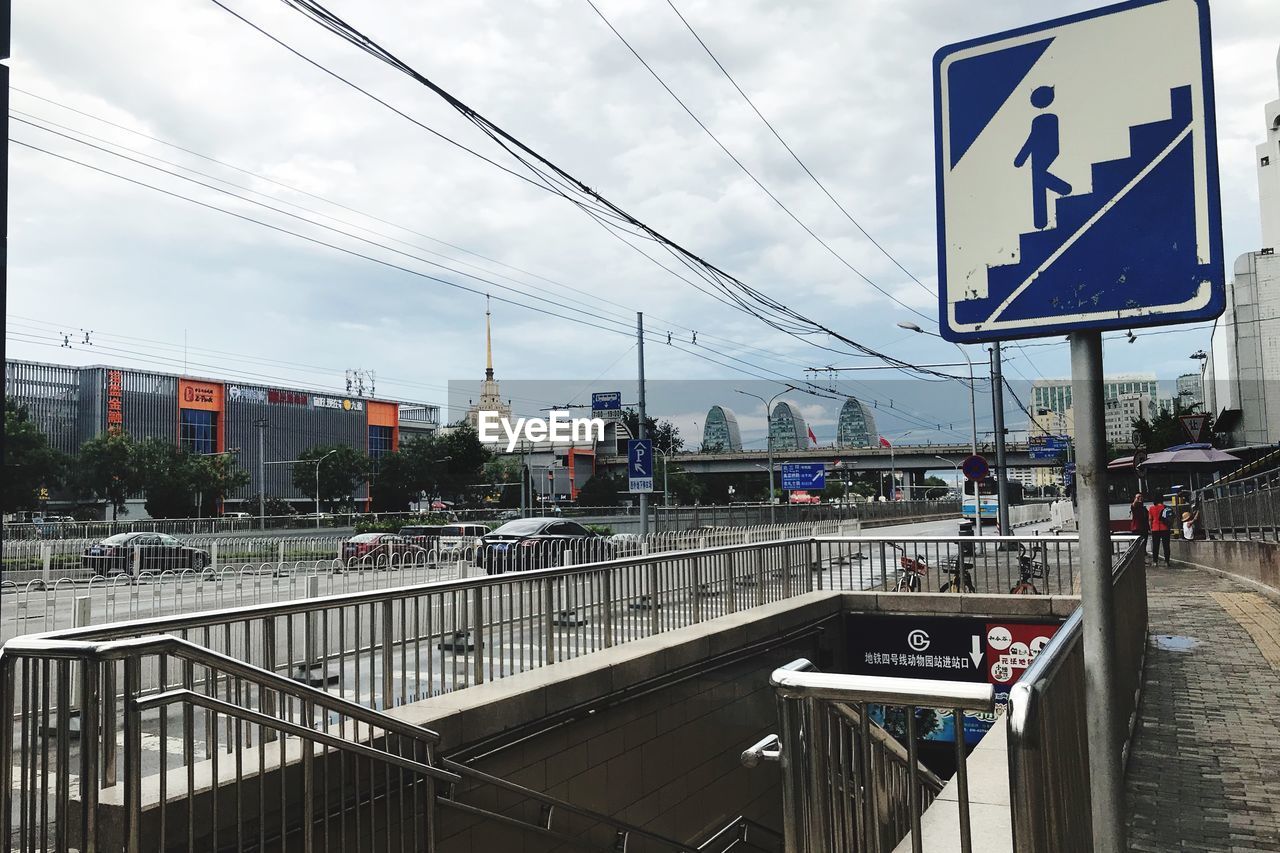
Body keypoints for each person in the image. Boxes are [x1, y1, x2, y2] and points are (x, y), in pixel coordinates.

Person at [1148, 497, 1174, 566]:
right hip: (1165, 528)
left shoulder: (1151, 508)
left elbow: (1150, 520)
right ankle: (1167, 562)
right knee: (1166, 546)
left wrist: (1150, 528)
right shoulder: (1166, 508)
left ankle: (1155, 562)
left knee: (1155, 546)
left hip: (1155, 529)